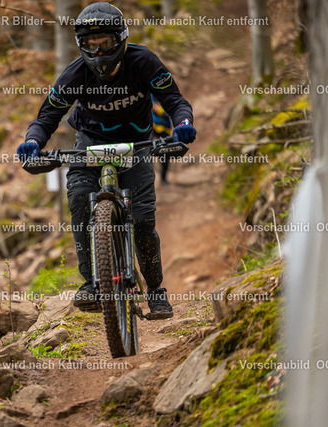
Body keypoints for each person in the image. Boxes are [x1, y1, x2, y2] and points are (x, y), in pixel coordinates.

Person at [17, 2, 195, 317]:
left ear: (121, 39)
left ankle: (155, 291)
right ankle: (91, 283)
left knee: (142, 220)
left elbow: (174, 100)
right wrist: (32, 142)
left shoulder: (143, 62)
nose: (98, 52)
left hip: (137, 143)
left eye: (106, 43)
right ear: (81, 45)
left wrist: (182, 124)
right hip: (90, 143)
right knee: (79, 201)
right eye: (91, 44)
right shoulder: (75, 73)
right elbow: (47, 116)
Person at [151, 95, 174, 185]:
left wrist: (161, 111)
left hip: (164, 127)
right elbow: (154, 107)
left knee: (165, 153)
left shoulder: (167, 94)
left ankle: (163, 178)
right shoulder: (150, 94)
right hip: (152, 125)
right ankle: (148, 177)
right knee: (146, 150)